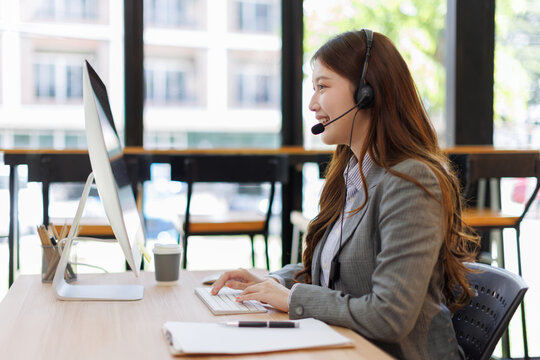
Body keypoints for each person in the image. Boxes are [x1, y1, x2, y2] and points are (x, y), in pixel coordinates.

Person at [211, 29, 478, 359]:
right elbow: (335, 274)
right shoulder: (352, 173)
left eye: (322, 87)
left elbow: (389, 316)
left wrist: (293, 299)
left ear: (367, 92)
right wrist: (271, 283)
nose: (312, 104)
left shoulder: (410, 180)